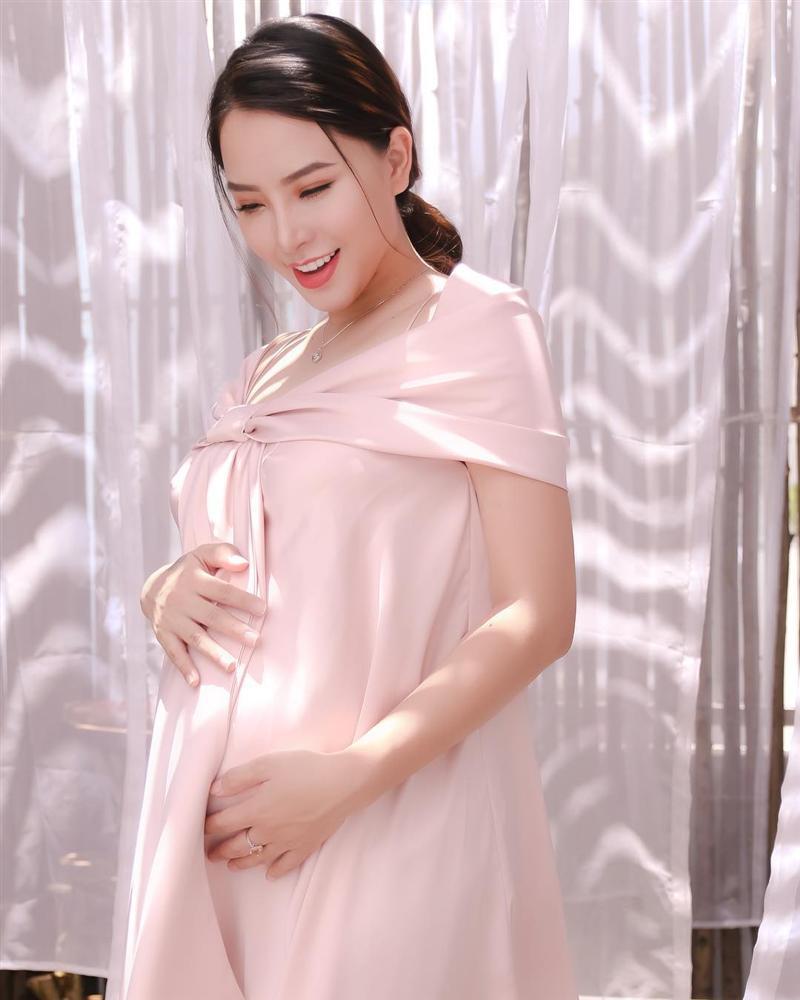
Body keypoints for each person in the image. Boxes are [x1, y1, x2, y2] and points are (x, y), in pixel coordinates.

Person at [118, 12, 578, 1000]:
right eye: (249, 204)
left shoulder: (478, 328)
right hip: (218, 845)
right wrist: (163, 587)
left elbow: (537, 615)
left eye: (313, 187)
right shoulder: (268, 369)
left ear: (394, 157)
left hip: (378, 824)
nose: (285, 236)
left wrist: (347, 779)